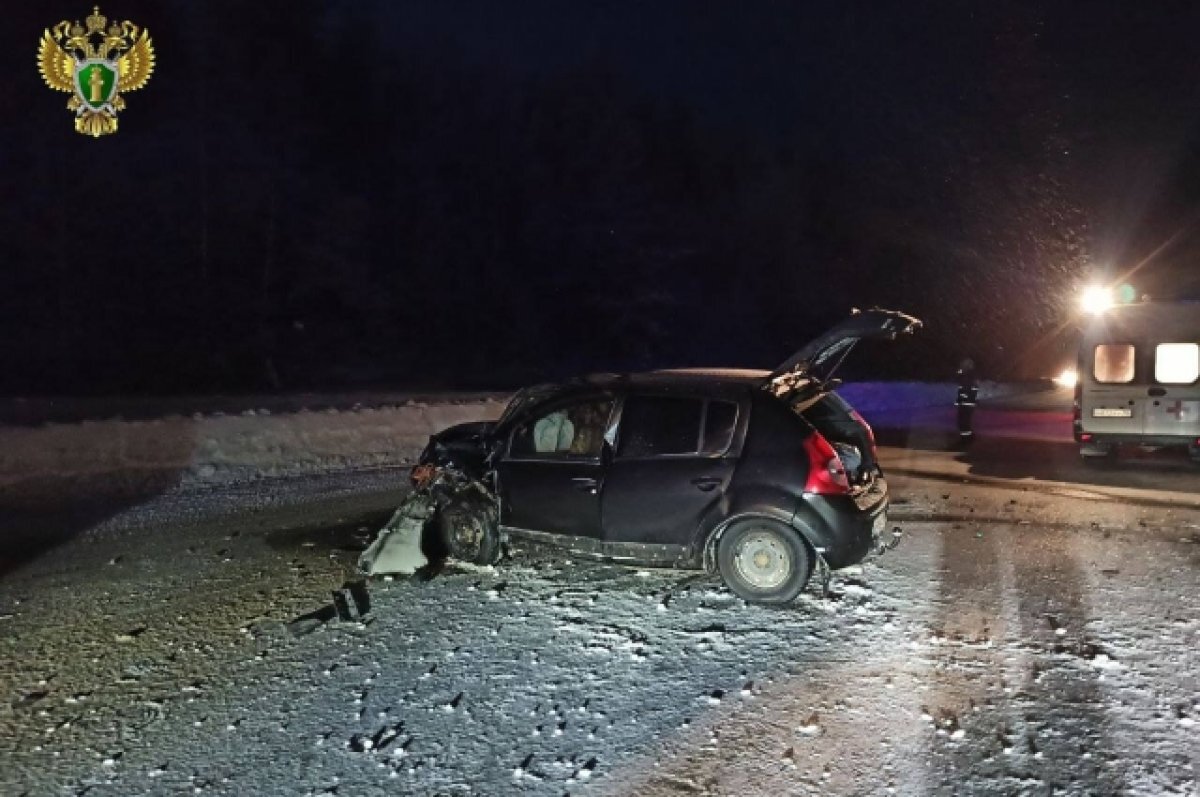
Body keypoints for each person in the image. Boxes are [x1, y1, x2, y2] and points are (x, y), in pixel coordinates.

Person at [955, 358, 978, 447]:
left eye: (963, 365)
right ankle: (968, 439)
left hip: (966, 403)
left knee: (963, 422)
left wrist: (962, 399)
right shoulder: (969, 375)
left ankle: (966, 440)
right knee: (964, 422)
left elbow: (965, 389)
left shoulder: (967, 376)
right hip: (967, 403)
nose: (961, 366)